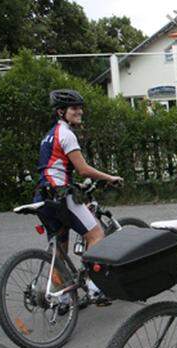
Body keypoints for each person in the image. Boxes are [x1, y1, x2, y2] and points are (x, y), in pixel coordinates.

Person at [35, 89, 122, 305]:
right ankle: (94, 288)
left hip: (42, 197)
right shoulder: (66, 134)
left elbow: (54, 169)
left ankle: (61, 297)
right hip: (60, 197)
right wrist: (109, 177)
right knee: (95, 234)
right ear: (61, 111)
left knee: (59, 250)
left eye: (80, 107)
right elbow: (82, 169)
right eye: (74, 108)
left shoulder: (49, 136)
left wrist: (75, 184)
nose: (80, 111)